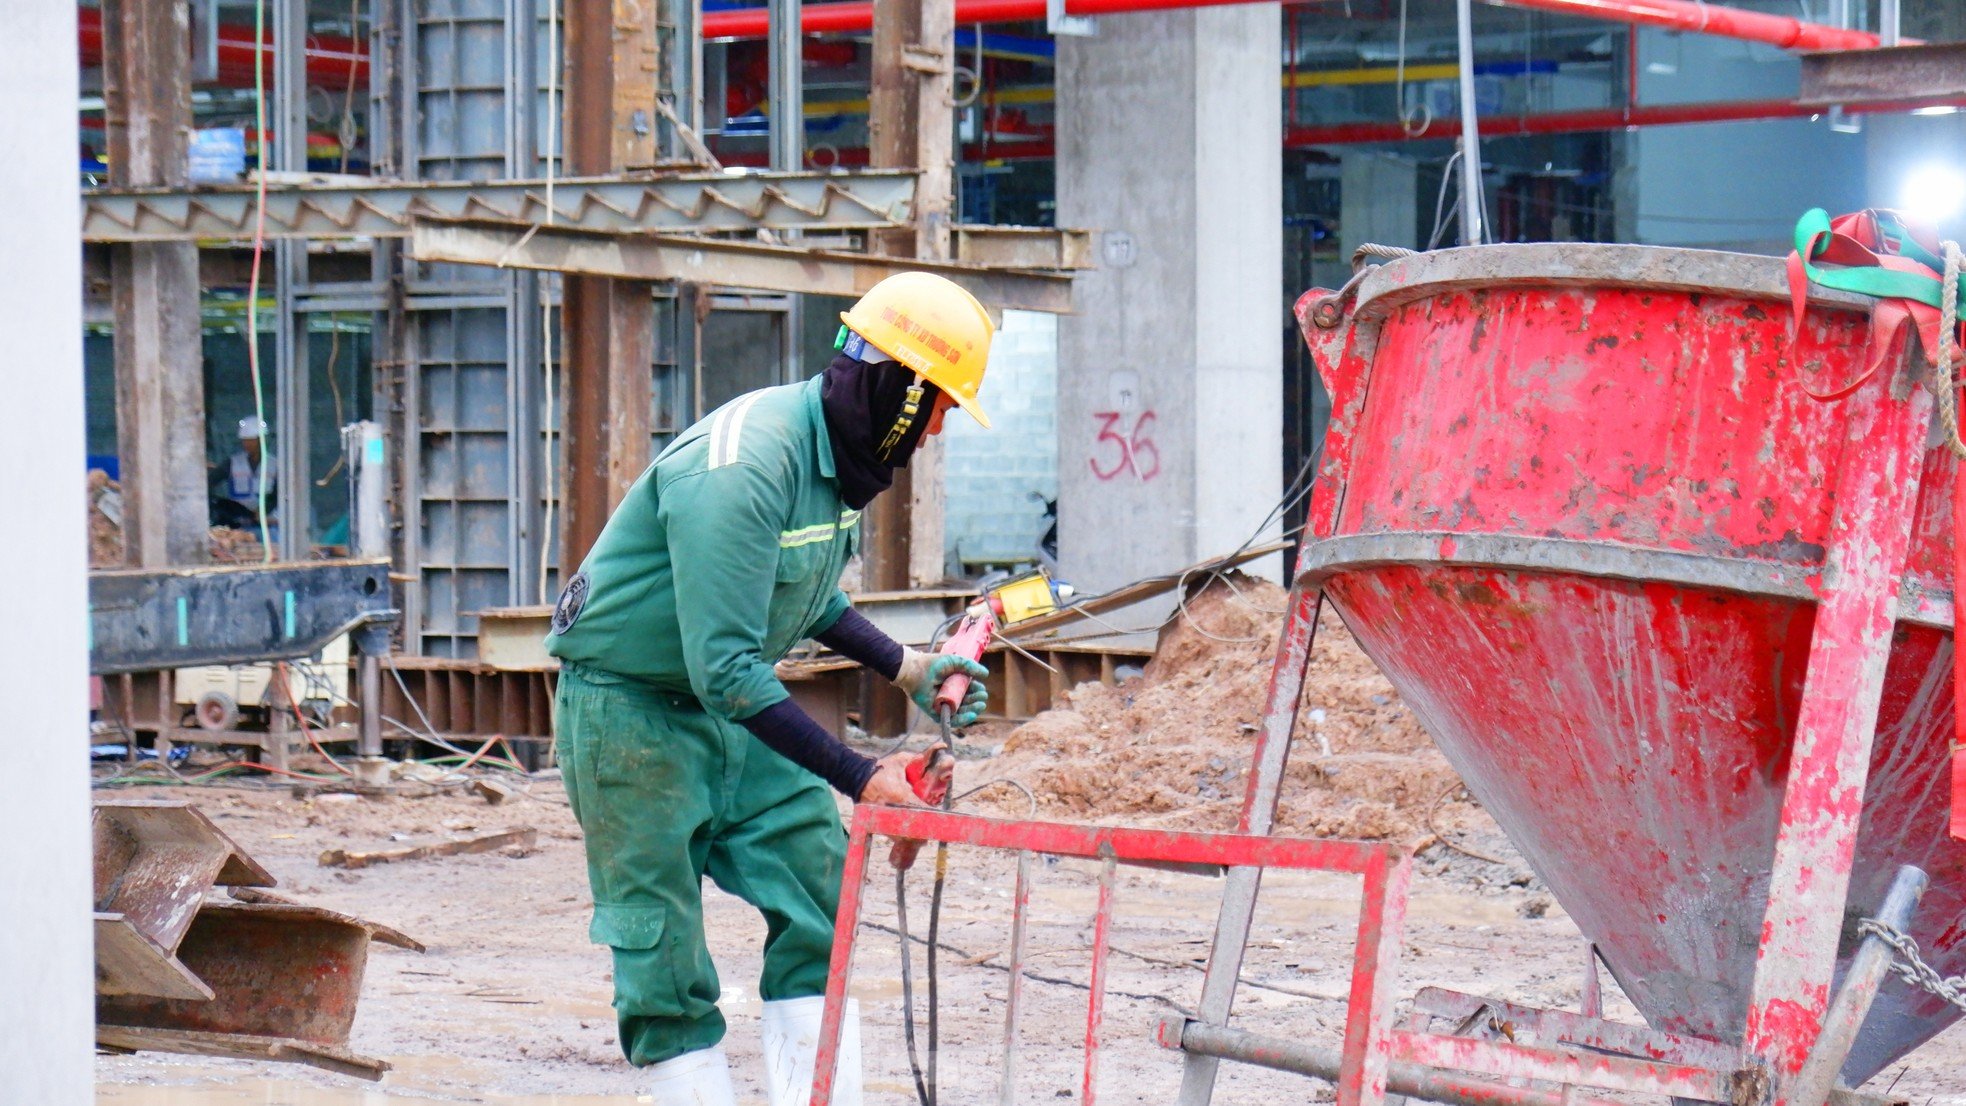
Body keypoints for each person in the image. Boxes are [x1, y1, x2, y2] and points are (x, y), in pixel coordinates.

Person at [544, 272, 998, 1106]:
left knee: (819, 883)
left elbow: (807, 595)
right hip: (633, 714)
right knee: (663, 951)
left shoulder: (834, 458)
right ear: (903, 390)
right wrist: (864, 778)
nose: (937, 431)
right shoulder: (747, 467)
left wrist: (909, 669)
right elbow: (725, 669)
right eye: (939, 409)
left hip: (728, 710)